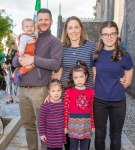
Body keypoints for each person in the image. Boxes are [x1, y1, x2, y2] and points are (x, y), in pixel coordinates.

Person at [12, 8, 63, 150]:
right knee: (28, 126)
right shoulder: (27, 37)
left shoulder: (54, 42)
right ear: (36, 21)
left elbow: (56, 63)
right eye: (40, 19)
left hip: (40, 91)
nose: (43, 22)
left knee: (44, 128)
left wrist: (33, 59)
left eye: (46, 19)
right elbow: (14, 62)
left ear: (51, 22)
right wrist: (20, 60)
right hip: (22, 90)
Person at [52, 16, 96, 149]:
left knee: (84, 136)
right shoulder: (61, 48)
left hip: (85, 99)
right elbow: (58, 72)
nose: (73, 31)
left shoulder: (91, 46)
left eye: (76, 27)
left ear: (81, 29)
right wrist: (53, 92)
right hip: (67, 98)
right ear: (66, 30)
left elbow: (96, 70)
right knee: (68, 136)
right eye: (70, 27)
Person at [90, 21, 133, 150]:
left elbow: (128, 80)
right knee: (99, 135)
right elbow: (95, 78)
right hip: (99, 101)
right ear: (101, 36)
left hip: (118, 102)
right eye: (105, 34)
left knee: (115, 136)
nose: (109, 37)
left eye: (112, 34)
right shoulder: (96, 55)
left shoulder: (125, 56)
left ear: (117, 35)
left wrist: (116, 89)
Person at [64, 60, 95, 150]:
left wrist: (92, 125)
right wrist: (65, 126)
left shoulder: (91, 92)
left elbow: (91, 109)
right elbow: (66, 110)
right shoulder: (68, 92)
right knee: (73, 147)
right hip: (73, 124)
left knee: (85, 147)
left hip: (86, 124)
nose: (79, 80)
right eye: (76, 77)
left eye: (81, 76)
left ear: (86, 76)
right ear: (72, 78)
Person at [39, 79, 66, 150]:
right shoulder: (45, 105)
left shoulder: (64, 104)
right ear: (49, 92)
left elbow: (66, 117)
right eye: (53, 91)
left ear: (61, 91)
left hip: (60, 136)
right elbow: (41, 121)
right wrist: (42, 134)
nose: (56, 93)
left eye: (58, 90)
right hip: (50, 136)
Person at [3, 39, 18, 103]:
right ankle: (10, 97)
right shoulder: (9, 50)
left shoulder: (16, 51)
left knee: (15, 83)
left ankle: (18, 97)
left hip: (14, 69)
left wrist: (10, 65)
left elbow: (16, 61)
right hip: (9, 69)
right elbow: (7, 60)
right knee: (9, 83)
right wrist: (5, 64)